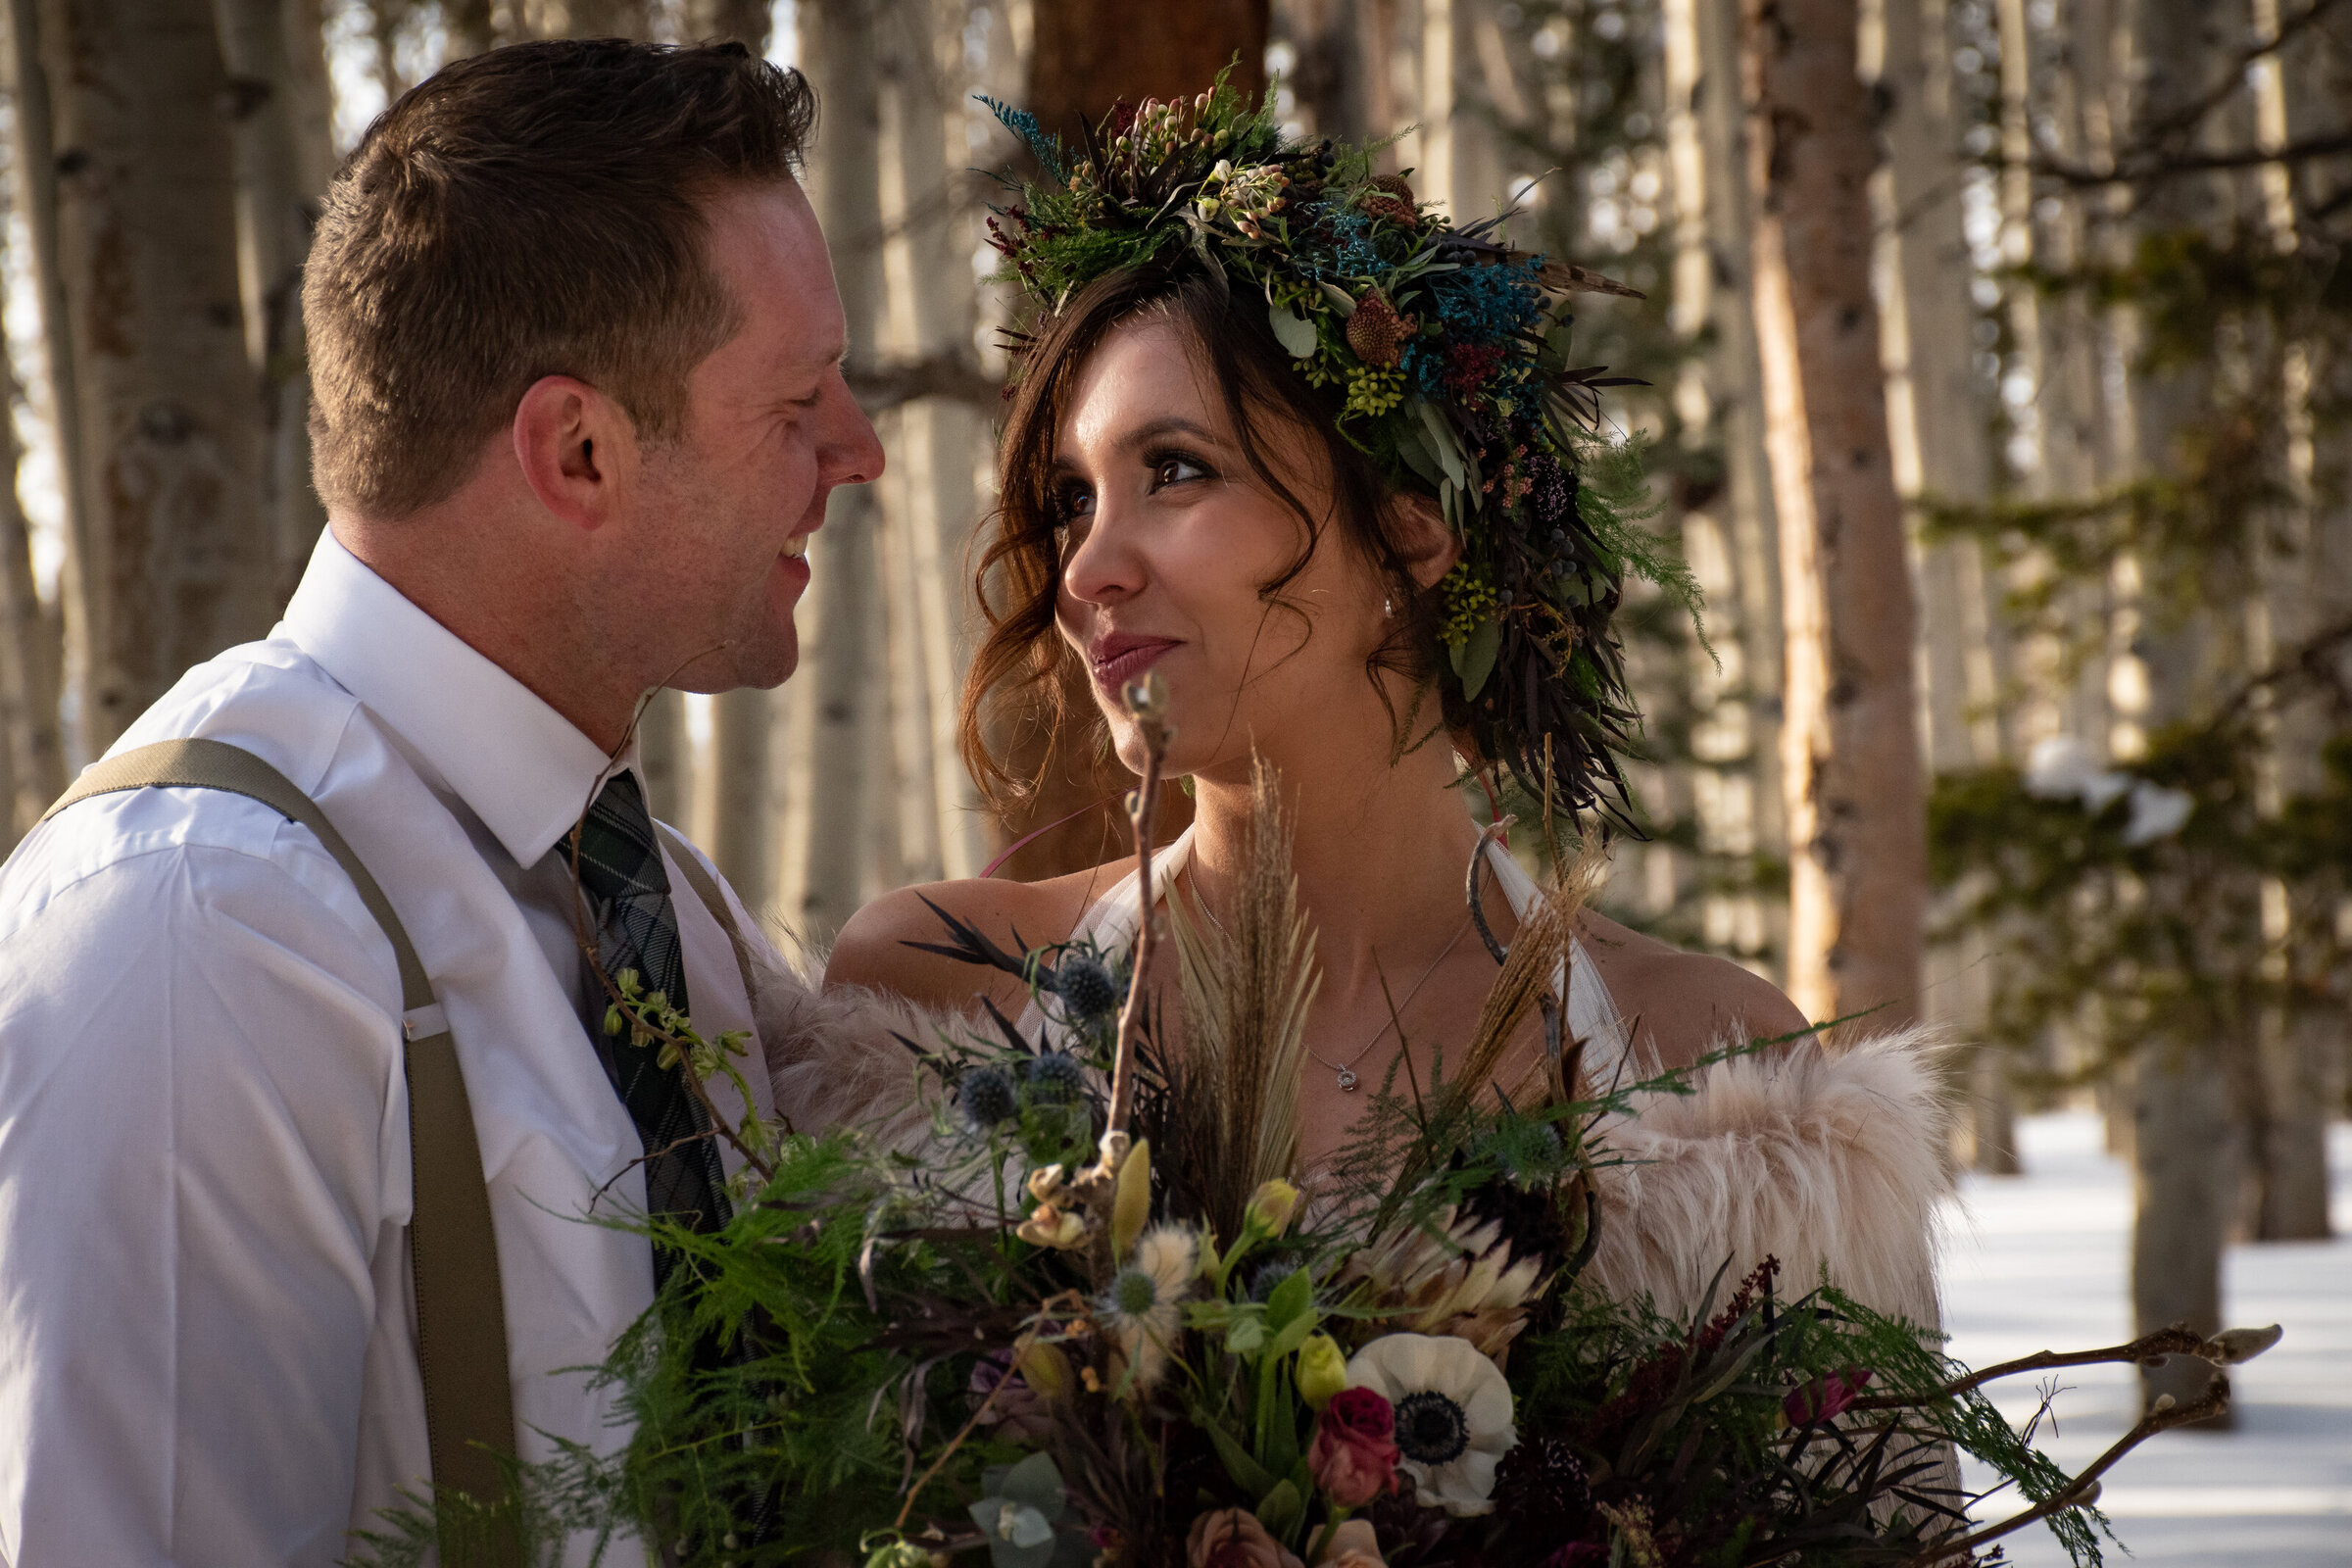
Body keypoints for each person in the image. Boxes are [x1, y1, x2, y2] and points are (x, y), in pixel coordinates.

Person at [829, 101, 1951, 1343]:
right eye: (1071, 497)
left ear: (1408, 535)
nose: (1087, 568)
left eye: (1177, 470)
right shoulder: (937, 1003)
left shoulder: (1721, 1074)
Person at [0, 40, 904, 1565]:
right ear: (579, 450)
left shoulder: (656, 896)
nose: (860, 452)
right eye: (798, 401)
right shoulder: (200, 931)